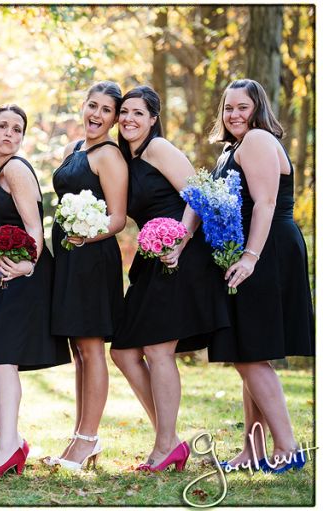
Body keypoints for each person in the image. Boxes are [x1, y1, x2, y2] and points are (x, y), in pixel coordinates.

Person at [109, 85, 229, 472]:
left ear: (153, 119)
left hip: (181, 255)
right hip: (151, 258)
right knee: (123, 351)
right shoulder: (124, 159)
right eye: (124, 112)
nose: (129, 119)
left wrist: (180, 239)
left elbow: (199, 195)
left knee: (158, 350)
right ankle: (171, 440)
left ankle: (164, 446)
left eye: (138, 113)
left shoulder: (159, 149)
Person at [205, 79, 314, 472]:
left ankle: (288, 448)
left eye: (243, 107)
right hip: (251, 248)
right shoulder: (232, 148)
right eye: (228, 108)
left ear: (258, 109)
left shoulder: (257, 140)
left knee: (250, 353)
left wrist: (250, 258)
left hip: (267, 249)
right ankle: (253, 449)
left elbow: (265, 203)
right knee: (247, 351)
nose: (234, 114)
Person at [0, 104, 70, 480]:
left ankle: (6, 448)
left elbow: (35, 229)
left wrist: (27, 265)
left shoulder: (15, 169)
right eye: (2, 126)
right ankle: (14, 441)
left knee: (2, 361)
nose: (9, 134)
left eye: (17, 129)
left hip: (24, 273)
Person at [43, 82, 127, 470]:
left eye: (106, 110)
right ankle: (79, 435)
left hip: (92, 258)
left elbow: (117, 218)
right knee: (78, 349)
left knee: (92, 349)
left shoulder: (110, 155)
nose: (96, 114)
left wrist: (85, 233)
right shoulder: (74, 149)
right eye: (92, 105)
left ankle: (89, 438)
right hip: (68, 257)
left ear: (114, 118)